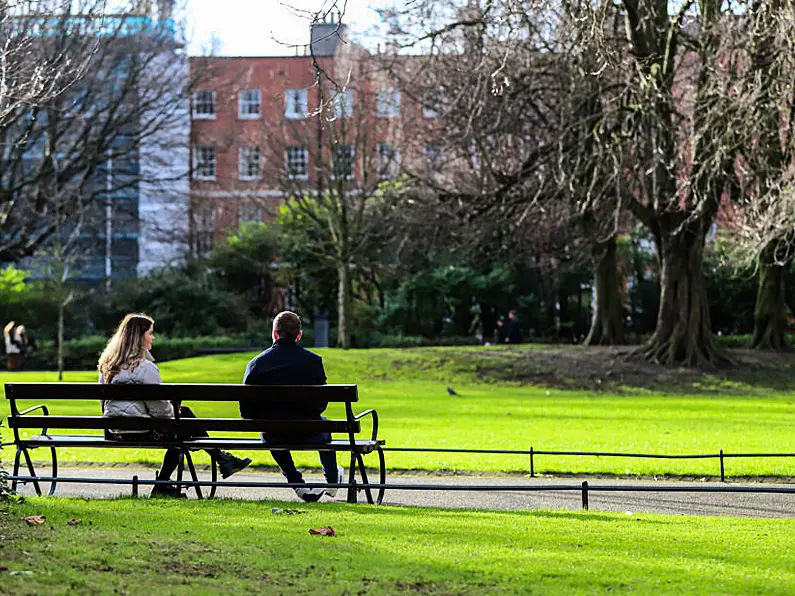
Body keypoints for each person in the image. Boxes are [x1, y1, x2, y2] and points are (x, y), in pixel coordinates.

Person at [98, 313, 251, 498]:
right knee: (182, 420)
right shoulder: (145, 368)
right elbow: (162, 413)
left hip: (115, 431)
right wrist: (173, 410)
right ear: (139, 337)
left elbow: (104, 403)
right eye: (150, 333)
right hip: (144, 431)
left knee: (183, 419)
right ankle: (219, 458)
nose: (153, 337)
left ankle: (219, 459)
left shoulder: (108, 365)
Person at [240, 311, 344, 502]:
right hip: (309, 431)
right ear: (299, 335)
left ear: (274, 333)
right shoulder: (313, 361)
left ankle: (296, 482)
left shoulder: (256, 364)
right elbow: (321, 404)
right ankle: (332, 480)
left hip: (274, 434)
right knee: (324, 426)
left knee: (268, 432)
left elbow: (246, 412)